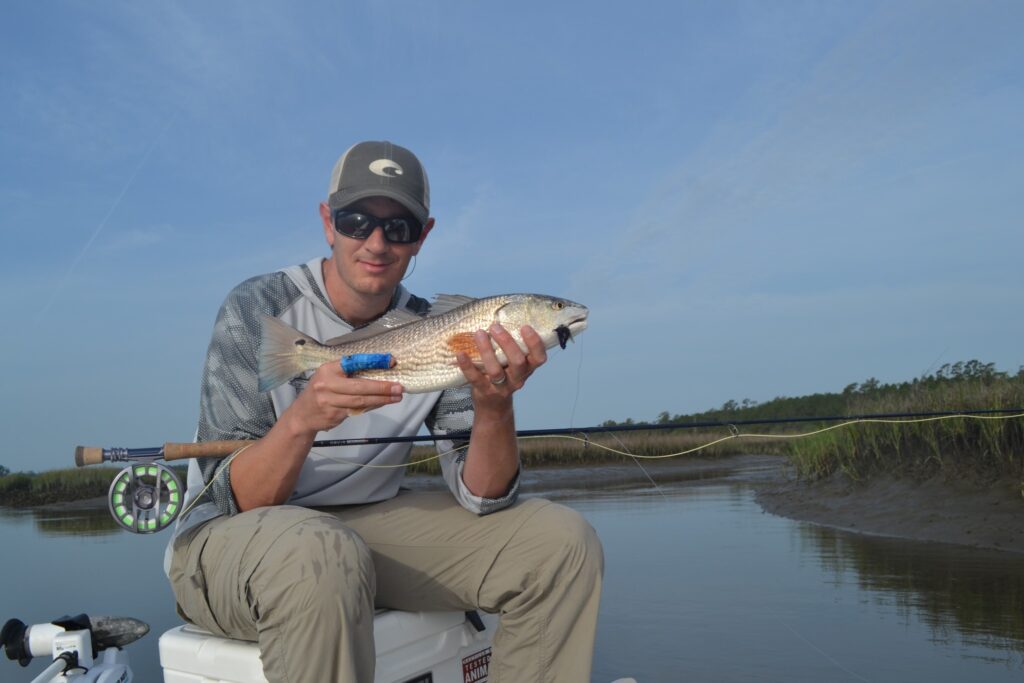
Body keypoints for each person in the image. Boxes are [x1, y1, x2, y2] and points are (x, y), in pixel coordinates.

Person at [164, 140, 604, 682]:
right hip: (232, 535)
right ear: (328, 223)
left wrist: (495, 405)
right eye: (356, 221)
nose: (377, 243)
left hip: (361, 528)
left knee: (559, 543)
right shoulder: (257, 308)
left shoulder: (444, 328)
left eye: (399, 228)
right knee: (320, 553)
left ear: (423, 237)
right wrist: (302, 420)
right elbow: (235, 497)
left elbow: (484, 498)